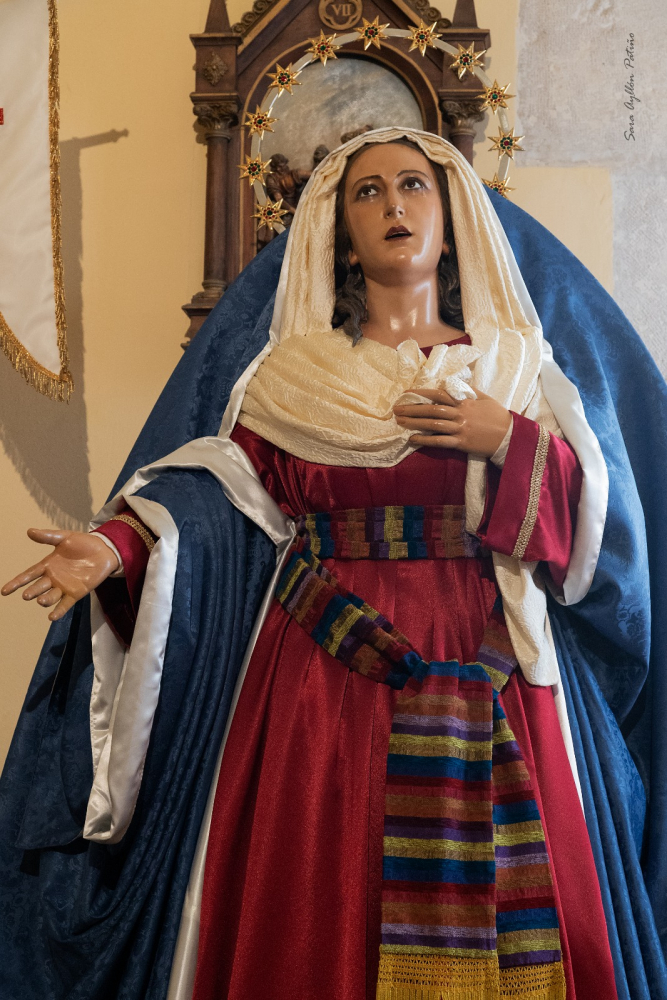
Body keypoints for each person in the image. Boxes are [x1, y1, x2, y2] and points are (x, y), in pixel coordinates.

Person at [1, 128, 666, 1000]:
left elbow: (598, 528)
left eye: (413, 185)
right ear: (340, 233)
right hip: (322, 668)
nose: (393, 205)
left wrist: (506, 439)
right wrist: (120, 545)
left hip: (490, 657)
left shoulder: (513, 367)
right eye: (367, 191)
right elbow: (221, 500)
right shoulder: (291, 378)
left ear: (452, 219)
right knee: (317, 890)